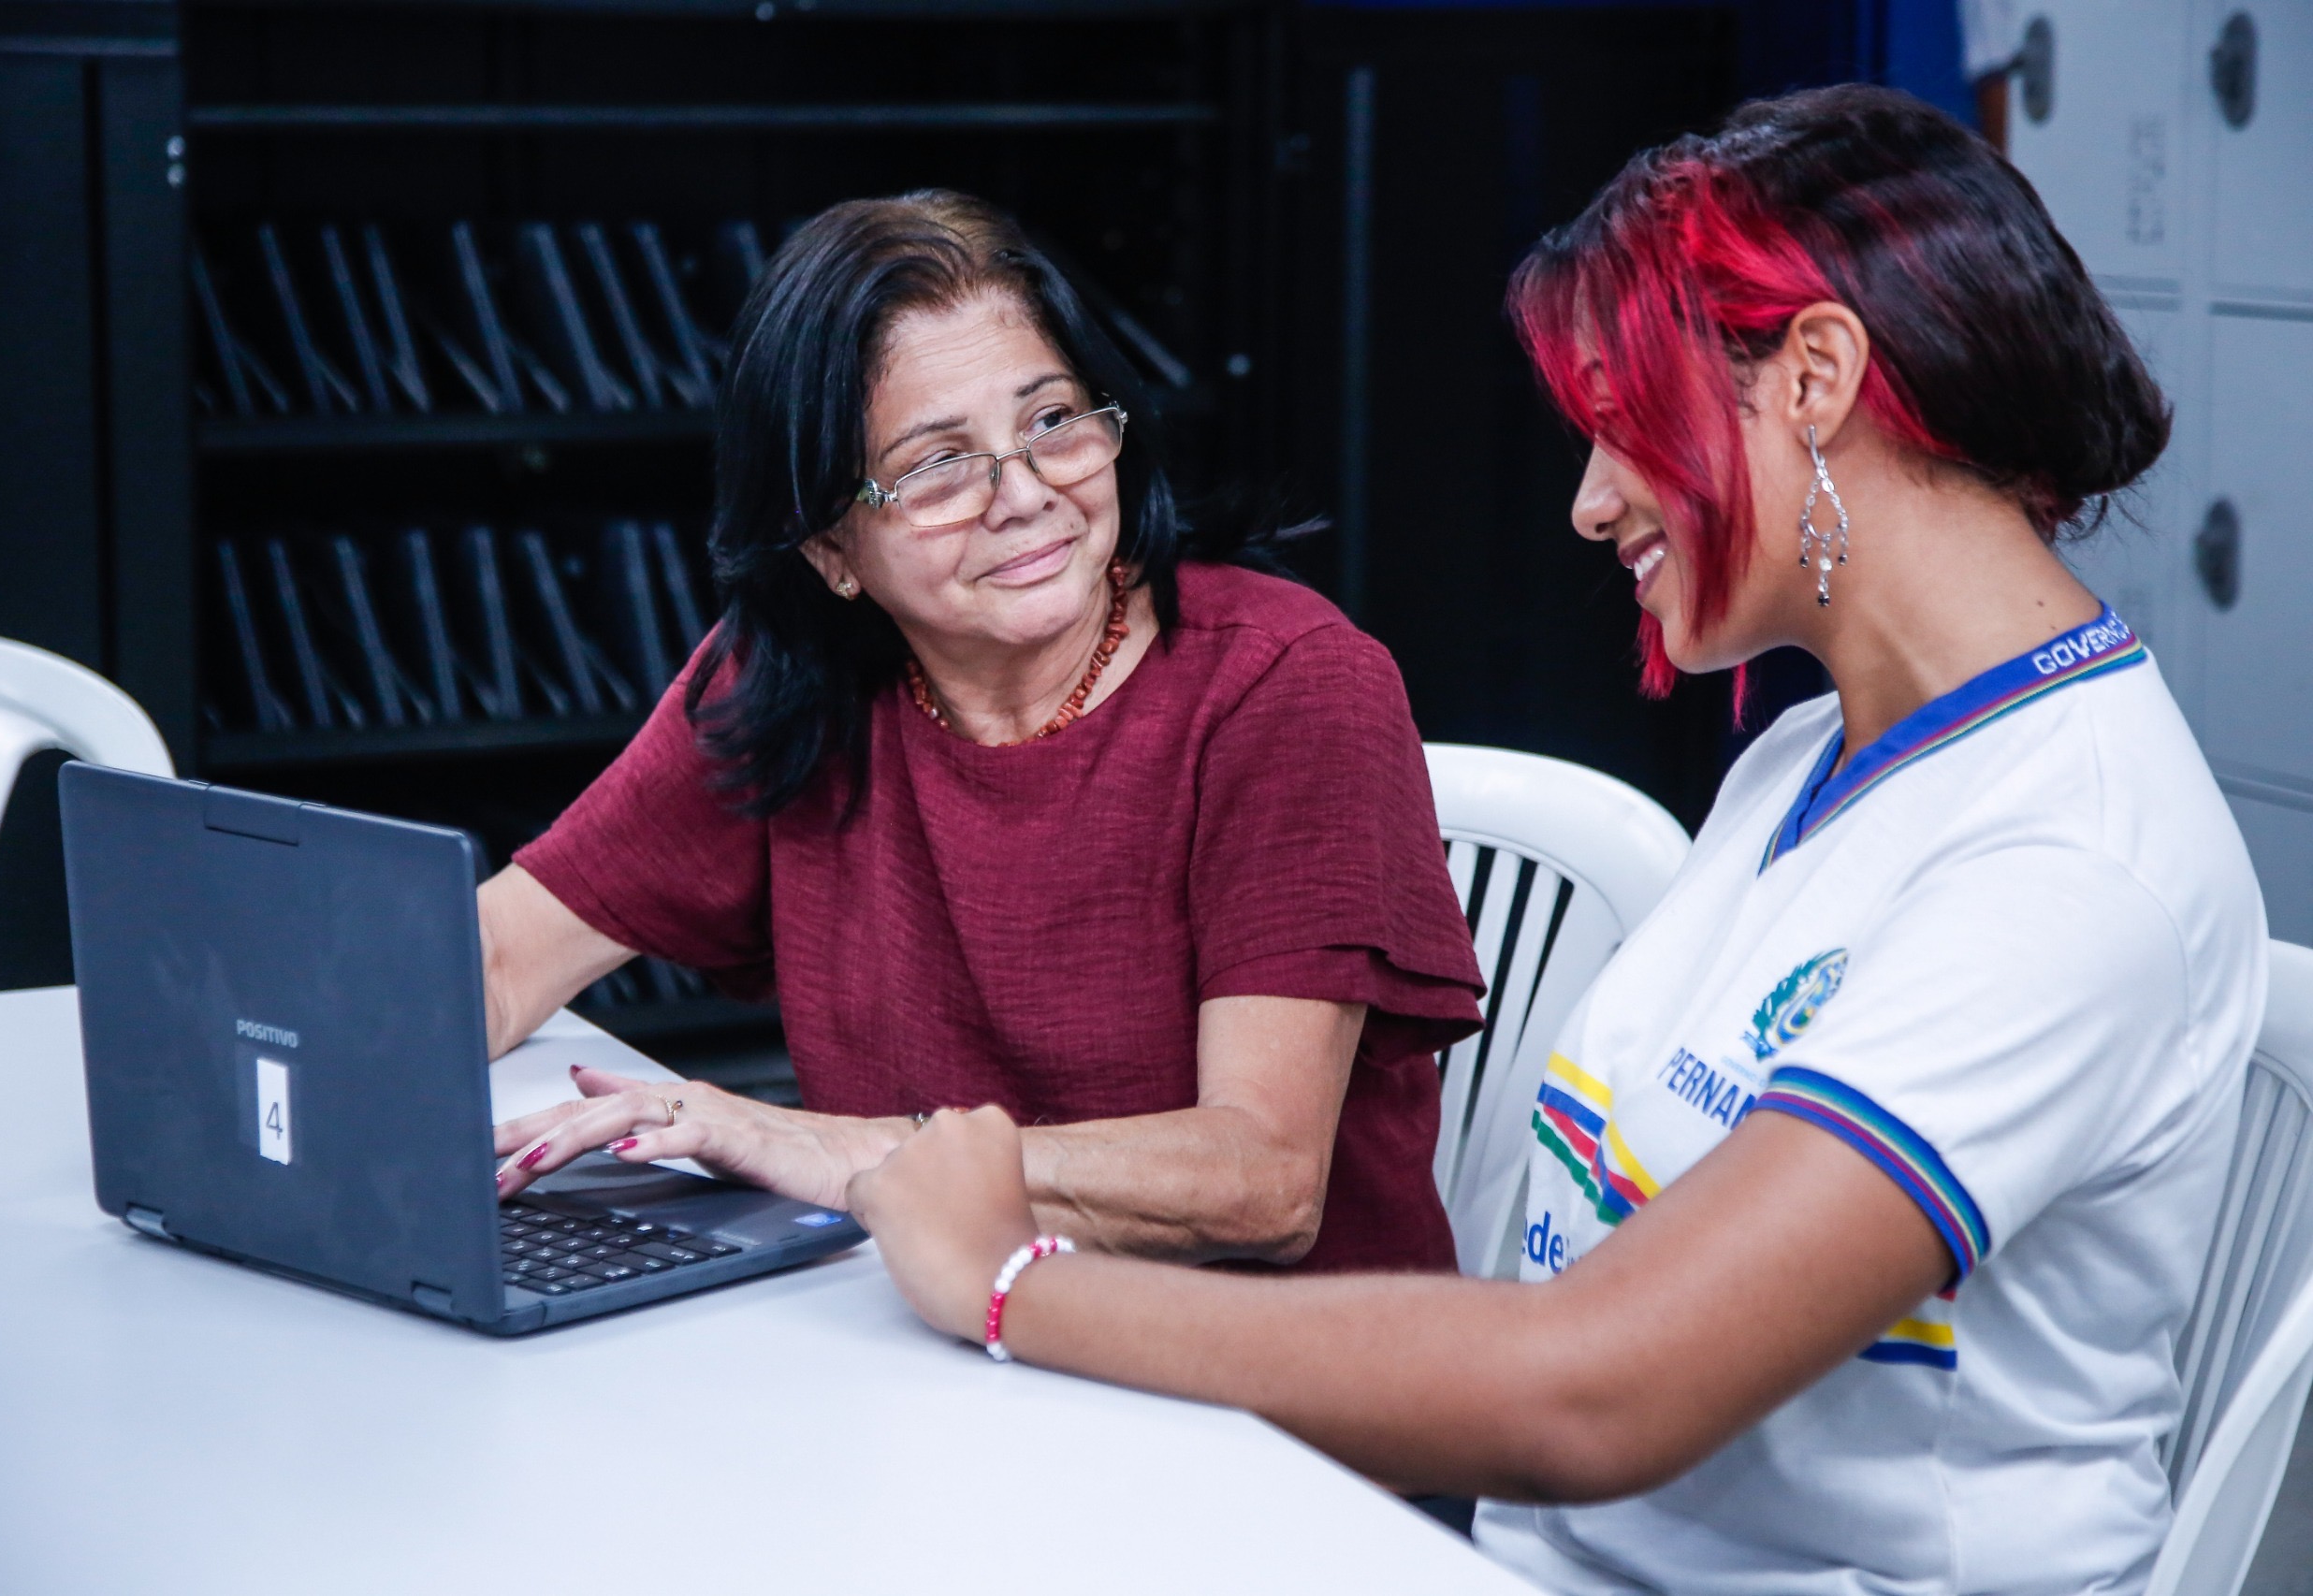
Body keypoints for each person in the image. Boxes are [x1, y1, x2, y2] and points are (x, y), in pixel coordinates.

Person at [842, 85, 2269, 1594]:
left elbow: (1593, 1389)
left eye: (1624, 424)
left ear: (1818, 375)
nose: (1591, 503)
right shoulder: (1810, 756)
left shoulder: (2070, 866)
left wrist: (1013, 1285)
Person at [483, 190, 1485, 1273]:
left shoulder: (1286, 684)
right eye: (936, 466)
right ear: (828, 548)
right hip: (947, 1342)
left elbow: (1260, 1179)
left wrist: (841, 1149)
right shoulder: (788, 682)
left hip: (1269, 1394)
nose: (1021, 494)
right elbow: (494, 958)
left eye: (1053, 421)